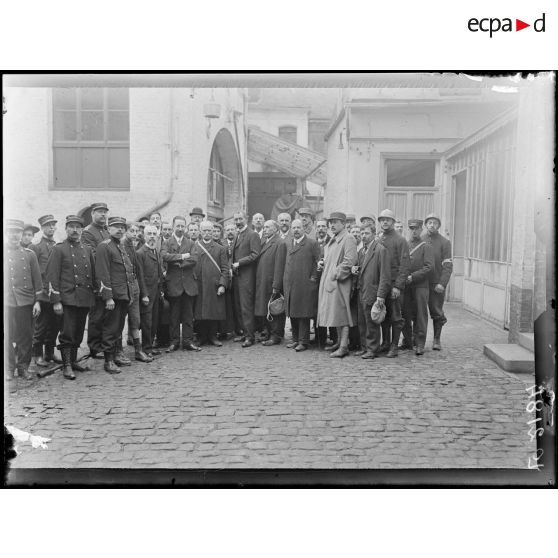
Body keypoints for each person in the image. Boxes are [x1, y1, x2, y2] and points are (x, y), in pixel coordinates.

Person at [45, 215, 96, 379]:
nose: (75, 230)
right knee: (67, 332)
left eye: (78, 227)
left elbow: (93, 275)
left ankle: (73, 361)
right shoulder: (59, 249)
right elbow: (52, 276)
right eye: (72, 227)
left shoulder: (87, 249)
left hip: (84, 297)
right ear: (66, 229)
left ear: (82, 229)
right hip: (67, 299)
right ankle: (66, 365)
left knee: (79, 331)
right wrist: (56, 301)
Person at [95, 216, 136, 374]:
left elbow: (127, 273)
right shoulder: (104, 247)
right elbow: (102, 273)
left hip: (123, 295)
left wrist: (130, 294)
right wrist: (108, 297)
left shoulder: (121, 246)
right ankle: (108, 361)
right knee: (110, 329)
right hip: (113, 297)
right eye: (116, 227)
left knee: (118, 328)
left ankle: (115, 356)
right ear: (108, 229)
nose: (120, 229)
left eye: (122, 227)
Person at [4, 219, 43, 383]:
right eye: (11, 232)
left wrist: (38, 301)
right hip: (7, 301)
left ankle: (23, 367)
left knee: (25, 336)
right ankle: (8, 368)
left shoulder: (30, 254)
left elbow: (37, 280)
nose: (14, 235)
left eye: (17, 232)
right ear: (7, 233)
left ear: (21, 234)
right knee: (7, 336)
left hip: (26, 301)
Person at [316, 212, 358, 358]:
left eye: (336, 222)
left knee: (342, 313)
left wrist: (335, 273)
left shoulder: (348, 238)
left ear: (344, 223)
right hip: (331, 281)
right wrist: (324, 264)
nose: (332, 225)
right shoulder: (334, 239)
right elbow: (332, 259)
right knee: (335, 312)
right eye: (331, 222)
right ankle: (339, 342)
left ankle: (344, 346)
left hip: (341, 282)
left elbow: (350, 261)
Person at [161, 215, 200, 352]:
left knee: (189, 315)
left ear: (185, 228)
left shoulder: (191, 243)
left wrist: (176, 263)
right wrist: (182, 256)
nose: (180, 229)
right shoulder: (166, 243)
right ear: (173, 227)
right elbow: (164, 256)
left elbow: (194, 259)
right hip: (174, 285)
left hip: (189, 284)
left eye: (182, 226)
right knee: (174, 315)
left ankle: (188, 341)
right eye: (177, 226)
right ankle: (174, 341)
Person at [30, 214, 62, 367]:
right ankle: (37, 355)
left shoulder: (57, 245)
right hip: (42, 293)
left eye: (53, 225)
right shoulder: (36, 246)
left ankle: (49, 353)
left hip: (55, 292)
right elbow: (33, 272)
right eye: (48, 225)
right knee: (41, 326)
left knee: (55, 325)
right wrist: (36, 297)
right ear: (42, 228)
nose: (51, 228)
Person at [377, 209, 410, 358]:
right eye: (382, 219)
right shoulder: (379, 239)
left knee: (396, 316)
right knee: (384, 314)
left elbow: (404, 265)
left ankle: (394, 346)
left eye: (388, 220)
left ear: (393, 222)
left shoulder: (400, 240)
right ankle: (385, 343)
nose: (385, 222)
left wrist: (398, 286)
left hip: (394, 284)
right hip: (382, 283)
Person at [283, 219, 320, 351]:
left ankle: (303, 341)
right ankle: (295, 339)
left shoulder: (312, 243)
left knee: (303, 312)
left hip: (305, 283)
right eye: (294, 228)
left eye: (298, 228)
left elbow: (318, 262)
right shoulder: (288, 243)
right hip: (291, 283)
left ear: (303, 229)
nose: (296, 230)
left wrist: (313, 278)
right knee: (293, 311)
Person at [357, 223, 391, 359]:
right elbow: (363, 269)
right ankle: (365, 347)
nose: (363, 236)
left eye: (366, 233)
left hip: (373, 291)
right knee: (362, 321)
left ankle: (372, 349)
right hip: (362, 290)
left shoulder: (380, 250)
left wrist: (381, 295)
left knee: (372, 322)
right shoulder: (361, 251)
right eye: (362, 234)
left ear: (374, 234)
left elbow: (385, 275)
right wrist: (356, 270)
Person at [81, 202, 110, 359]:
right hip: (96, 279)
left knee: (107, 314)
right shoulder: (88, 233)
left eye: (105, 212)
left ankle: (104, 344)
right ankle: (94, 346)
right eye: (99, 212)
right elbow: (91, 255)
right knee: (97, 315)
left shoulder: (106, 231)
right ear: (92, 214)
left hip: (108, 276)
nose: (103, 215)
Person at [194, 221, 229, 346]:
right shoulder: (195, 247)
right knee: (200, 312)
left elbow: (225, 269)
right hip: (199, 285)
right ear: (200, 232)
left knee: (214, 311)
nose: (207, 233)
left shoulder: (220, 249)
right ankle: (201, 336)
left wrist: (222, 284)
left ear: (213, 231)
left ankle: (213, 336)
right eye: (204, 230)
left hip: (214, 285)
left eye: (210, 230)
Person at [121, 222, 152, 363]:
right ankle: (118, 352)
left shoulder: (134, 247)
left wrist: (142, 293)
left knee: (135, 320)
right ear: (126, 231)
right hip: (122, 289)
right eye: (131, 231)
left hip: (134, 288)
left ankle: (138, 350)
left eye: (136, 231)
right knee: (119, 322)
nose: (134, 233)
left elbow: (138, 271)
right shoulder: (120, 246)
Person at [401, 219, 433, 356]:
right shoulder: (405, 245)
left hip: (420, 286)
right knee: (405, 314)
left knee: (420, 315)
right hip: (406, 287)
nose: (414, 231)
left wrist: (412, 277)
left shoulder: (426, 246)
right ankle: (408, 341)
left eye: (416, 228)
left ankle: (420, 344)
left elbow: (429, 267)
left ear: (421, 230)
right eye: (411, 228)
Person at [422, 213, 453, 351]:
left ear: (438, 226)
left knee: (436, 311)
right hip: (421, 283)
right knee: (418, 312)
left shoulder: (444, 242)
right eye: (429, 222)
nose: (432, 225)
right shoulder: (420, 240)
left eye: (435, 223)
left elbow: (447, 265)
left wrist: (442, 283)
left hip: (436, 284)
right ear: (426, 225)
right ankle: (417, 340)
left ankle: (436, 339)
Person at [231, 210, 261, 347]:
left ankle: (250, 336)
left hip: (247, 277)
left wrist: (239, 263)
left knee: (246, 307)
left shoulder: (252, 235)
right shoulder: (238, 234)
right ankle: (244, 333)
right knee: (238, 307)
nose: (238, 222)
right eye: (236, 219)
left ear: (246, 219)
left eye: (240, 219)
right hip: (237, 277)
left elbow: (255, 254)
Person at [255, 220, 287, 346]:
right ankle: (268, 333)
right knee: (267, 309)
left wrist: (276, 285)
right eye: (264, 227)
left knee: (275, 310)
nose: (265, 229)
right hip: (263, 282)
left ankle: (276, 336)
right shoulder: (265, 241)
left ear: (275, 229)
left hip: (271, 283)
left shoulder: (280, 243)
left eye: (268, 227)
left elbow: (279, 266)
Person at [137, 225, 165, 358]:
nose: (152, 236)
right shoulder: (141, 253)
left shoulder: (156, 251)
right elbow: (140, 275)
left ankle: (150, 346)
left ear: (158, 236)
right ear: (144, 236)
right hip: (147, 294)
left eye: (154, 234)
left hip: (156, 292)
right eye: (149, 234)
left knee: (154, 321)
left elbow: (159, 273)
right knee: (147, 322)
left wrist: (161, 290)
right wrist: (144, 295)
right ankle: (146, 348)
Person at [315, 218, 334, 348]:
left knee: (331, 308)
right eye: (319, 227)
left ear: (326, 228)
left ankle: (334, 338)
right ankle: (320, 339)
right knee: (318, 309)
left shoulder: (332, 241)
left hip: (329, 279)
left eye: (323, 226)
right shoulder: (313, 242)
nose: (321, 229)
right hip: (316, 280)